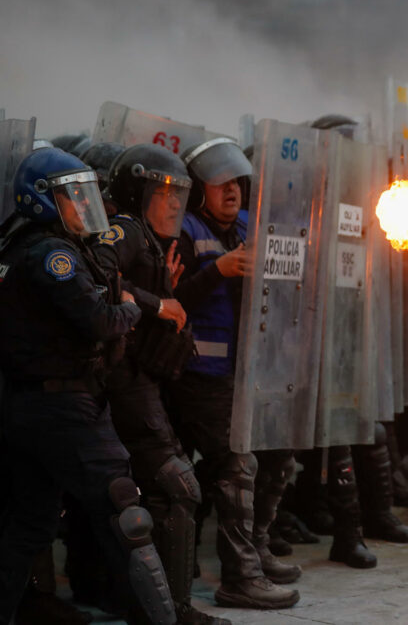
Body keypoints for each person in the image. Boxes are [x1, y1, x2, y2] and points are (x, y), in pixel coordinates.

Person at [0, 147, 177, 625]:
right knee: (126, 514)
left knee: (31, 522)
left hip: (29, 406)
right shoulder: (53, 254)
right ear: (43, 200)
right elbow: (102, 320)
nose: (84, 206)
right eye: (73, 197)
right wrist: (131, 305)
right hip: (65, 406)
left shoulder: (21, 247)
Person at [93, 145, 237, 623]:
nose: (175, 203)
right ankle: (169, 609)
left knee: (158, 492)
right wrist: (159, 303)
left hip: (144, 381)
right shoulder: (128, 231)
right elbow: (94, 273)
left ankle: (155, 607)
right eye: (164, 192)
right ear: (138, 191)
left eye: (181, 194)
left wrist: (165, 292)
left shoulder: (152, 243)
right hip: (124, 382)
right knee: (178, 486)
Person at [168, 138, 303, 607]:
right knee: (236, 462)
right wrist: (219, 271)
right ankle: (239, 577)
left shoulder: (249, 225)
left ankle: (258, 549)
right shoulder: (182, 230)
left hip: (251, 370)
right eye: (220, 183)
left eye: (237, 183)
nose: (232, 192)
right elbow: (171, 302)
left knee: (280, 450)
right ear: (199, 189)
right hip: (199, 374)